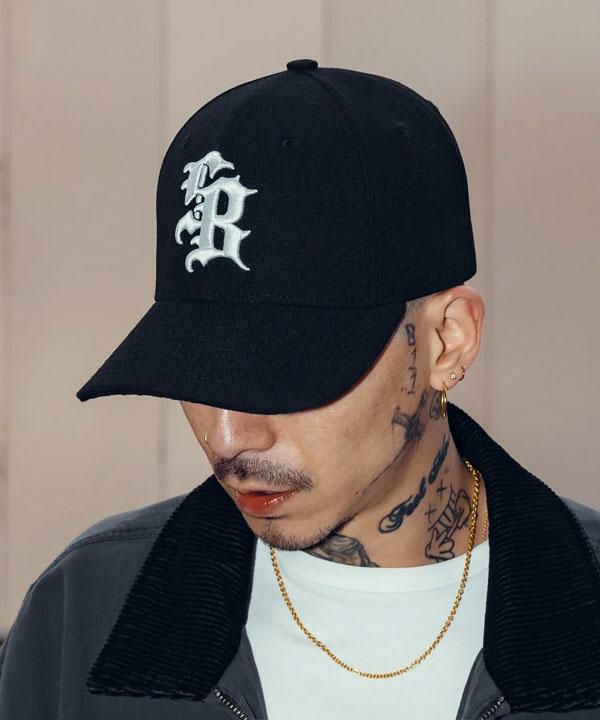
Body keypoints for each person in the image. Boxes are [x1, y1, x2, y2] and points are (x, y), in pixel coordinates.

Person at [1, 58, 599, 720]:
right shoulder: (86, 610)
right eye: (195, 371)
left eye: (285, 374)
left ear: (446, 341)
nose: (229, 439)